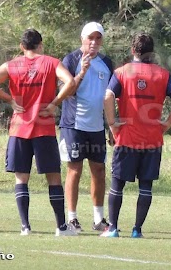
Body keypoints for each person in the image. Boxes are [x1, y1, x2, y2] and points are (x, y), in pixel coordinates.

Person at [0, 29, 77, 236]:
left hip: (19, 129)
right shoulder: (51, 63)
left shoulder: (12, 65)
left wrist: (9, 99)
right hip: (43, 129)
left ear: (21, 47)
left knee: (21, 179)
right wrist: (54, 103)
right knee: (53, 178)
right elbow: (70, 82)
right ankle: (61, 227)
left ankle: (25, 226)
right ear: (40, 45)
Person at [101, 33, 171, 238]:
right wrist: (167, 122)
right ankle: (137, 230)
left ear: (132, 51)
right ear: (151, 52)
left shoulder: (122, 72)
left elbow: (108, 95)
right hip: (152, 139)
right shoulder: (162, 74)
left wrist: (113, 124)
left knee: (117, 184)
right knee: (145, 185)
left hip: (127, 136)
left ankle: (112, 228)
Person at [59, 22, 114, 233]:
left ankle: (99, 219)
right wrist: (81, 71)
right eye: (90, 38)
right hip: (74, 124)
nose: (94, 42)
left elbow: (110, 96)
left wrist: (111, 125)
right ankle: (72, 219)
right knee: (74, 170)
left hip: (97, 126)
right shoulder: (71, 60)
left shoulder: (107, 63)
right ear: (82, 38)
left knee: (99, 171)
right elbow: (67, 91)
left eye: (98, 38)